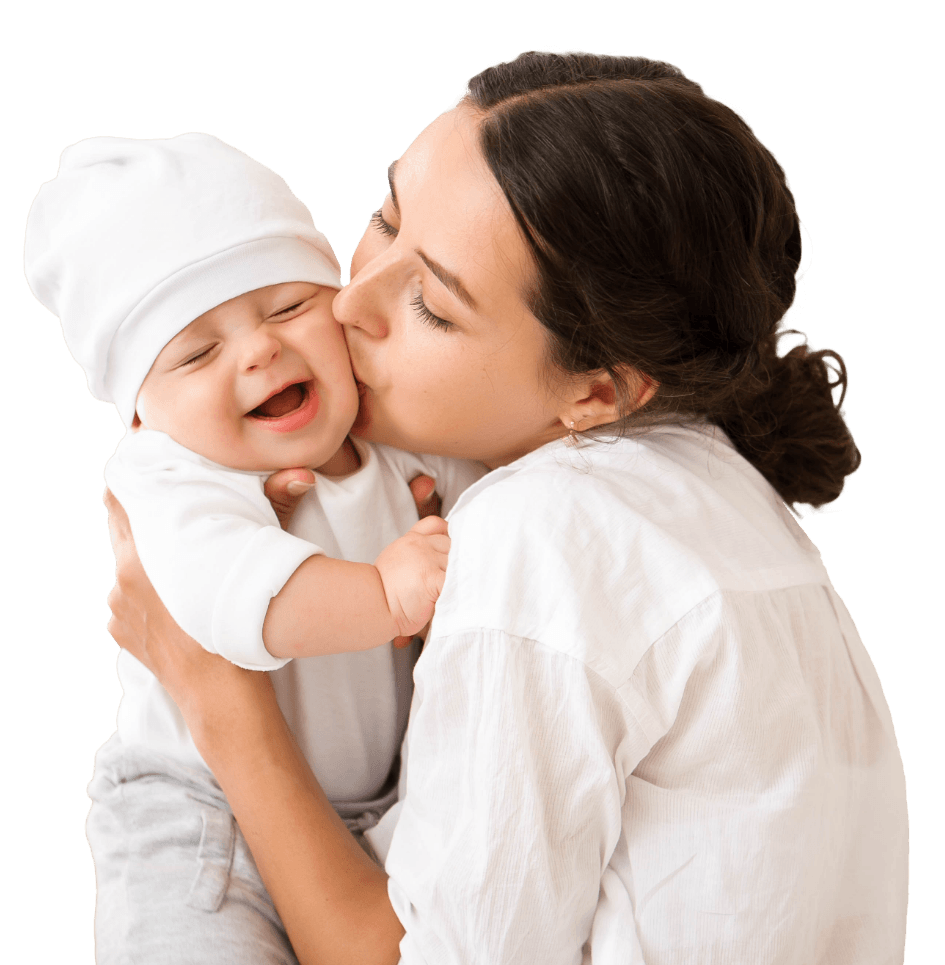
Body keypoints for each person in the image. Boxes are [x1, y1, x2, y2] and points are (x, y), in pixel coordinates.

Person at [105, 50, 910, 965]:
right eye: (386, 217)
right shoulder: (719, 491)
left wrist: (217, 692)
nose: (349, 304)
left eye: (433, 307)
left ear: (600, 392)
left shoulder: (543, 529)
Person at [24, 132, 483, 963]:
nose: (260, 349)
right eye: (198, 352)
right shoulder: (170, 473)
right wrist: (384, 595)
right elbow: (232, 600)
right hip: (199, 813)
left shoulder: (386, 435)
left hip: (370, 807)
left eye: (287, 307)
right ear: (140, 412)